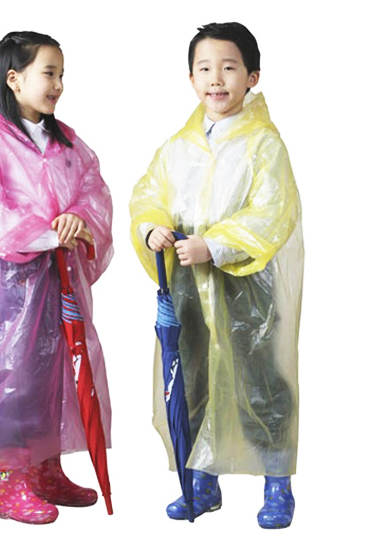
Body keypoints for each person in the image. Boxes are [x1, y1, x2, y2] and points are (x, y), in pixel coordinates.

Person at [130, 22, 303, 528]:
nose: (216, 78)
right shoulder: (178, 146)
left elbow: (272, 211)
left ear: (252, 77)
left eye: (229, 67)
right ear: (191, 78)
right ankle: (200, 480)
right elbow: (149, 194)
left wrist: (215, 245)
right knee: (192, 378)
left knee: (260, 380)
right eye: (204, 68)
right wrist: (151, 229)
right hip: (188, 288)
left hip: (246, 289)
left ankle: (277, 481)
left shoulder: (264, 145)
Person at [0, 31, 113, 525]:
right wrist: (48, 233)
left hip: (60, 280)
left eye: (62, 74)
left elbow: (93, 190)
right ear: (14, 78)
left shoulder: (67, 143)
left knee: (57, 374)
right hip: (10, 284)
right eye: (49, 73)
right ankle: (10, 484)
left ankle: (46, 469)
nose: (58, 84)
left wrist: (79, 218)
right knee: (12, 378)